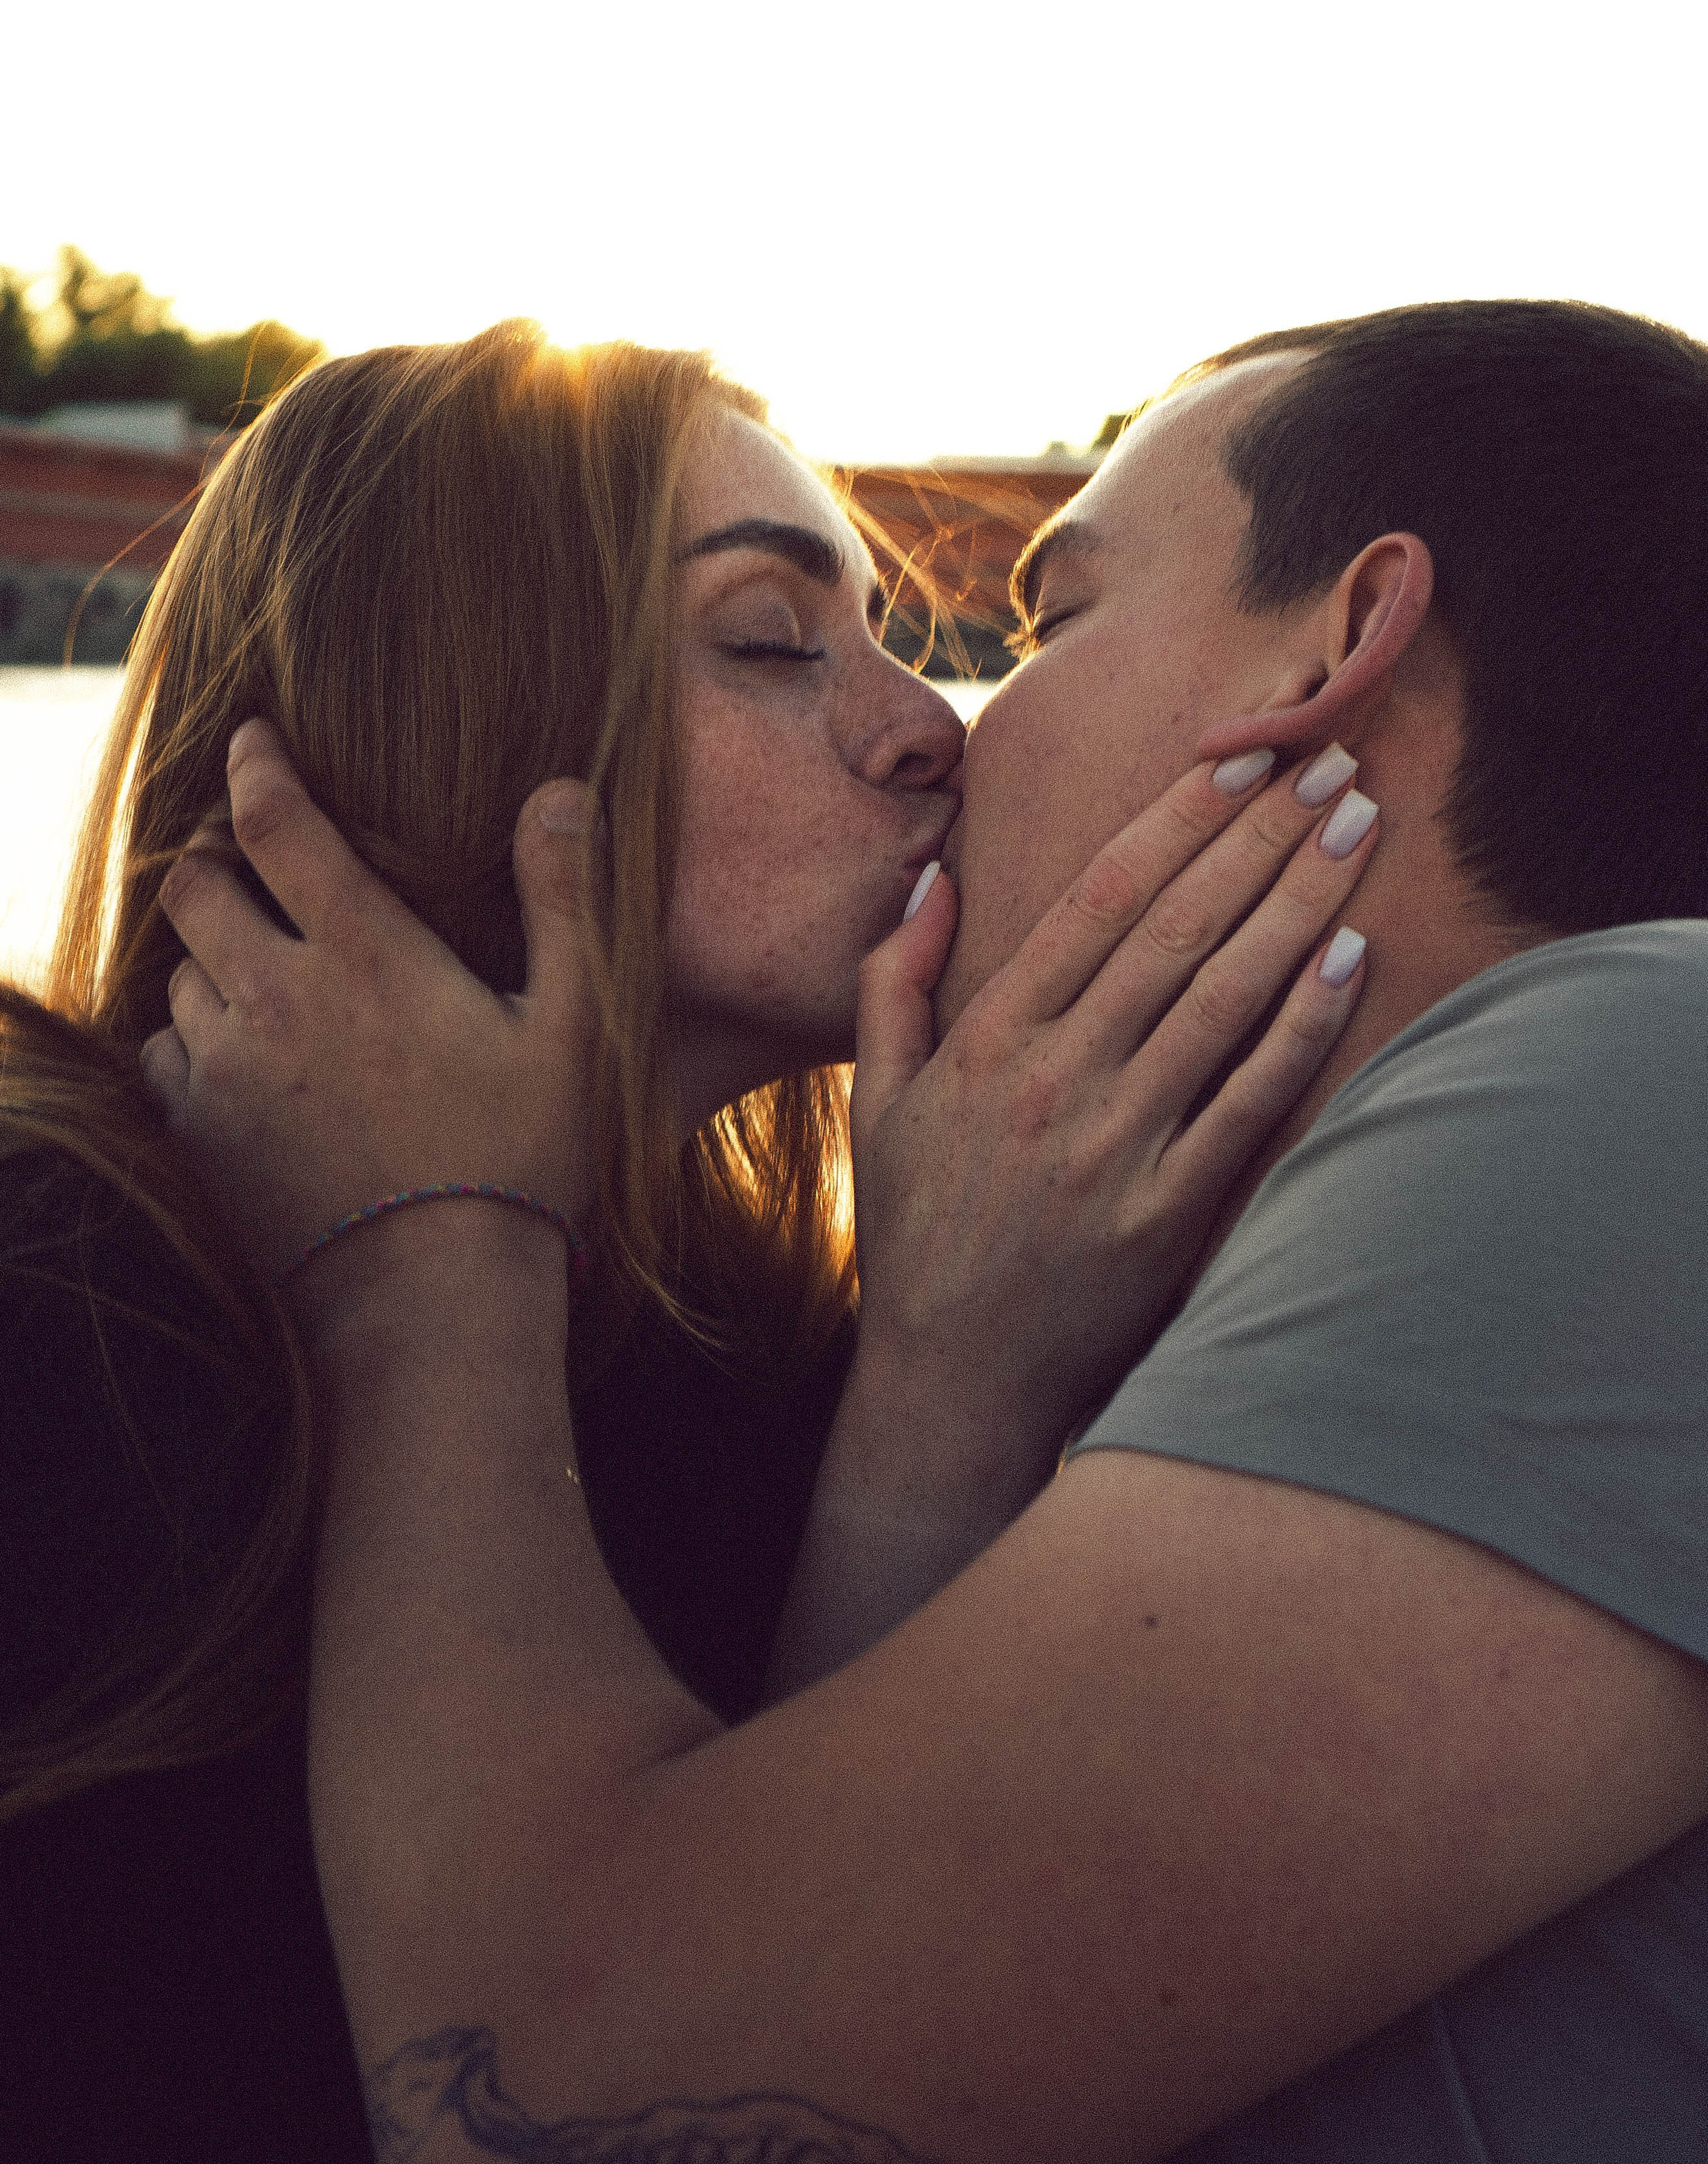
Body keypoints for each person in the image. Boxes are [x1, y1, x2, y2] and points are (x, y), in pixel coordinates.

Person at [151, 297, 1708, 2163]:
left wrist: (425, 1267)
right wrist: (942, 1392)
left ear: (1343, 642)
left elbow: (592, 2108)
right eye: (769, 644)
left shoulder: (1636, 1084)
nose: (942, 730)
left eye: (1045, 621)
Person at [0, 320, 1361, 2164]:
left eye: (885, 642)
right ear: (451, 713)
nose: (921, 730)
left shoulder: (757, 1369)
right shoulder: (55, 1279)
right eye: (773, 644)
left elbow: (759, 2061)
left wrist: (937, 1402)